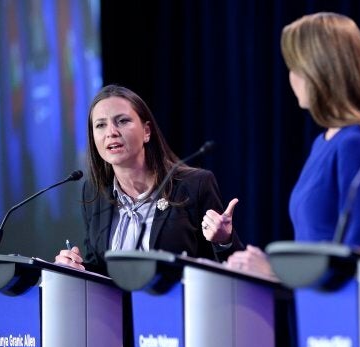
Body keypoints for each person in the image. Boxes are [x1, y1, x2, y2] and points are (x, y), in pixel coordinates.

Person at [227, 12, 360, 277]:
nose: (292, 78)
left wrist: (275, 273)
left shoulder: (359, 143)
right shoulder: (324, 142)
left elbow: (357, 261)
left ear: (320, 71)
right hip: (311, 307)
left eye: (296, 68)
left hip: (341, 312)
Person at [55, 84, 242, 274]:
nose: (111, 132)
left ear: (146, 131)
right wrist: (76, 267)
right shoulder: (95, 192)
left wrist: (224, 241)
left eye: (122, 121)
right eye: (101, 125)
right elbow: (100, 267)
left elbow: (233, 271)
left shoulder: (194, 185)